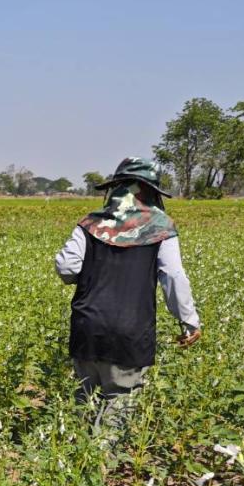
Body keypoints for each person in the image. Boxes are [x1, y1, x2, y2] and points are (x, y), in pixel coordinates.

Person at [55, 157, 201, 440]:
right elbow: (173, 276)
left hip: (87, 325)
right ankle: (94, 468)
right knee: (119, 399)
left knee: (85, 397)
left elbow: (66, 267)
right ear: (151, 191)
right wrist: (189, 321)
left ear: (116, 188)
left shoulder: (90, 224)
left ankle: (72, 459)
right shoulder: (161, 228)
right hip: (130, 330)